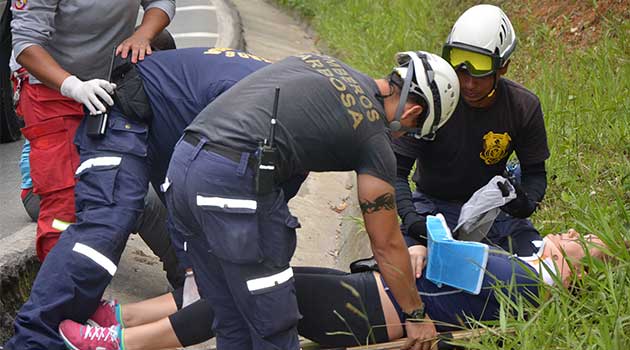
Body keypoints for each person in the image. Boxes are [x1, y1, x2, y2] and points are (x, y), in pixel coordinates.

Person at [154, 50, 460, 350]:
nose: (405, 138)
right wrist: (416, 314)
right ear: (413, 113)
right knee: (275, 322)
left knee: (232, 318)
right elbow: (386, 242)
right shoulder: (374, 138)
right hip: (231, 186)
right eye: (414, 132)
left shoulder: (325, 64)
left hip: (183, 167)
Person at [4, 47, 271, 350]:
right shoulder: (228, 99)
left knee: (220, 272)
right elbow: (184, 185)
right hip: (60, 189)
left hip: (123, 144)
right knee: (115, 215)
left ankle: (120, 319)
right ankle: (50, 332)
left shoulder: (217, 96)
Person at [59, 229, 613, 349]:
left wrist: (428, 243)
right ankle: (119, 323)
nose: (569, 233)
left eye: (581, 240)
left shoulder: (522, 279)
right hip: (370, 297)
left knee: (244, 300)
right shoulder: (520, 272)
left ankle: (117, 341)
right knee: (245, 288)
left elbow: (444, 265)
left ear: (573, 272)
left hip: (372, 308)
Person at [10, 0, 174, 262]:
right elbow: (25, 44)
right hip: (51, 90)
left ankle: (193, 285)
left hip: (110, 85)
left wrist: (143, 35)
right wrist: (73, 87)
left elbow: (161, 2)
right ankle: (61, 293)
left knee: (131, 190)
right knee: (65, 206)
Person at [394, 5, 550, 264]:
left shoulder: (523, 107)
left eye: (480, 71)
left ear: (503, 67)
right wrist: (413, 222)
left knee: (538, 264)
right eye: (461, 68)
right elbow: (396, 172)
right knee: (413, 266)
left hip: (492, 212)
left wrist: (526, 203)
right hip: (431, 207)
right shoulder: (433, 98)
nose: (468, 82)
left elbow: (535, 173)